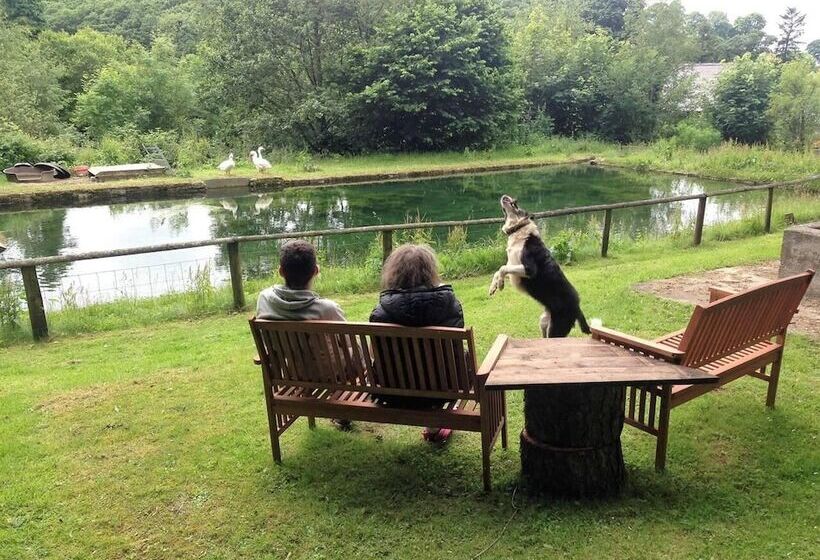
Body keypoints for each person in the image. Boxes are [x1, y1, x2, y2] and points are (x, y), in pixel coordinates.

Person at [369, 244, 464, 443]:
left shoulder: (381, 312)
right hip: (444, 390)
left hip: (393, 393)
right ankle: (435, 428)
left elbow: (375, 354)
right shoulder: (451, 306)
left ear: (394, 273)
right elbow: (455, 351)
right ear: (430, 271)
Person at [257, 239, 350, 429]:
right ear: (316, 270)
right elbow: (348, 343)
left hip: (290, 374)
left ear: (281, 271)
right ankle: (342, 411)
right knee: (353, 354)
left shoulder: (264, 299)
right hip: (327, 375)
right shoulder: (326, 309)